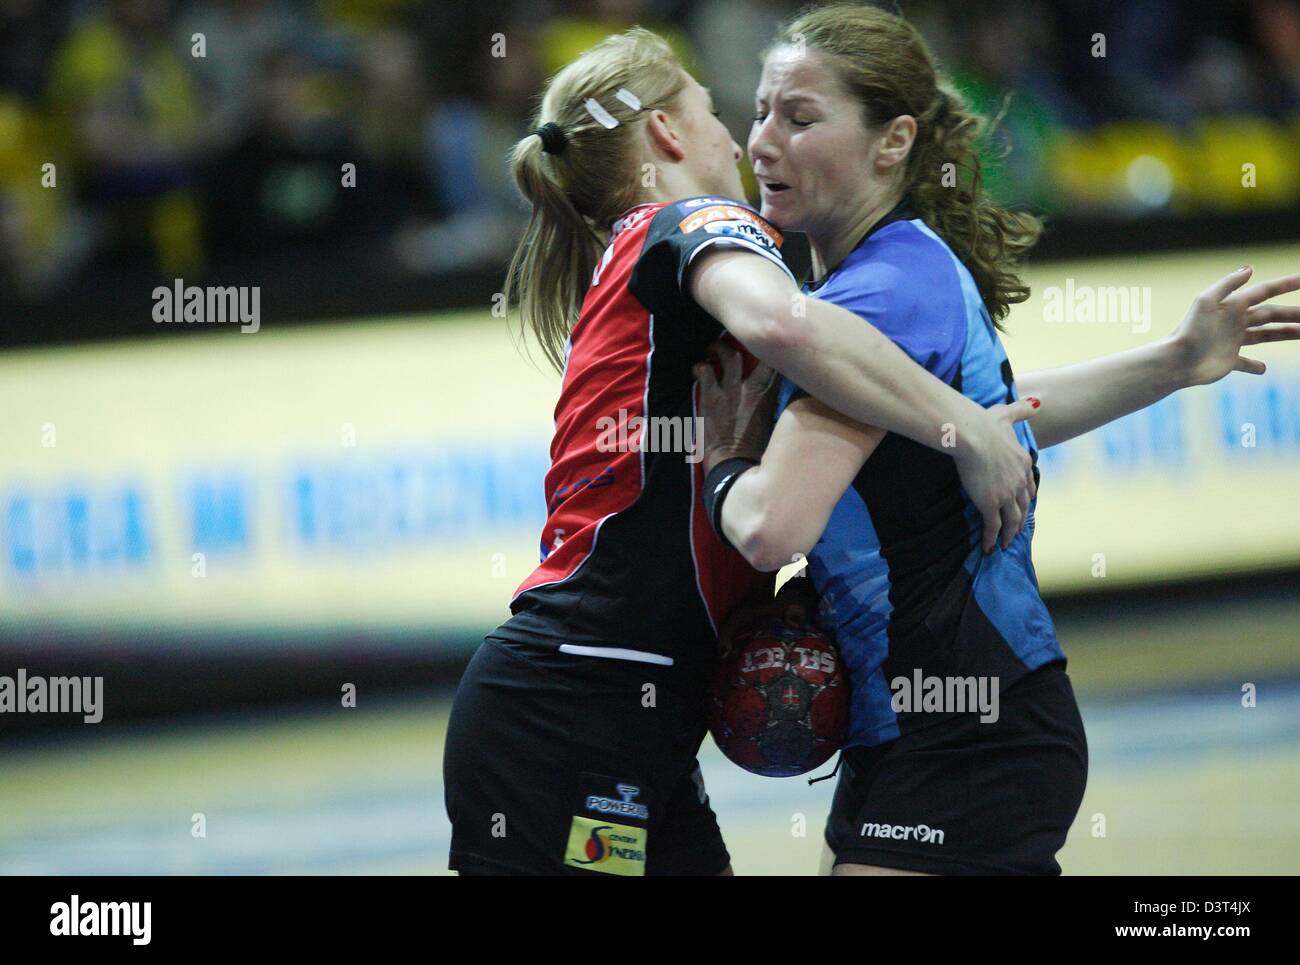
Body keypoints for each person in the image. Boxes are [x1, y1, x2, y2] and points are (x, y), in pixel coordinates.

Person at [696, 2, 1300, 876]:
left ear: (893, 141)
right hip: (926, 722)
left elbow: (769, 526)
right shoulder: (897, 266)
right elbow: (1001, 420)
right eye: (759, 113)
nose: (763, 143)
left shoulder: (881, 297)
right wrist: (1173, 360)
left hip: (969, 731)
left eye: (800, 118)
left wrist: (721, 461)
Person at [442, 26, 1040, 876]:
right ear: (666, 134)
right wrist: (966, 424)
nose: (744, 141)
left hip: (610, 711)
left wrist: (1160, 367)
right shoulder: (697, 218)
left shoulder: (643, 248)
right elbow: (782, 322)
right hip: (582, 702)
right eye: (722, 111)